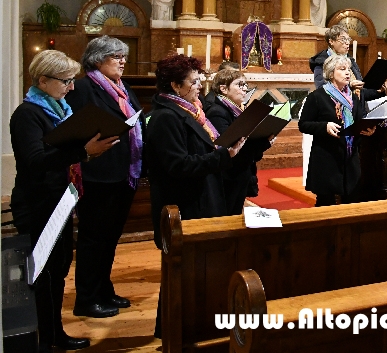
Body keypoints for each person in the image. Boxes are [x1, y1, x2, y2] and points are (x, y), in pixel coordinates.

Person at [10, 50, 118, 351]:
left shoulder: (57, 109)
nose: (72, 88)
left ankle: (54, 333)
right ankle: (43, 338)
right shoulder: (27, 115)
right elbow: (34, 161)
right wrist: (83, 152)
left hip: (59, 200)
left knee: (57, 271)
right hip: (37, 205)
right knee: (42, 276)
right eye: (66, 81)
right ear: (43, 80)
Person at [147, 54, 246, 338]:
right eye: (193, 81)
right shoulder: (166, 117)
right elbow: (178, 165)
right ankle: (175, 329)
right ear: (176, 86)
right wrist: (221, 156)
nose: (200, 85)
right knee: (182, 273)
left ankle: (188, 325)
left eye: (200, 79)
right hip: (185, 204)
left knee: (196, 271)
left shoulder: (191, 111)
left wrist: (224, 152)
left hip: (200, 197)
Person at [65, 36, 144, 319]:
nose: (123, 61)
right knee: (93, 238)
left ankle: (104, 288)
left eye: (123, 56)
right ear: (97, 60)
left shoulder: (123, 88)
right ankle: (86, 298)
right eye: (116, 57)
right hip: (97, 174)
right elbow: (74, 128)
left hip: (123, 173)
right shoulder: (84, 87)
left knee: (109, 238)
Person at [299, 55, 376, 206]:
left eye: (348, 69)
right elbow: (303, 124)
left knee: (351, 205)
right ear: (330, 73)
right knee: (326, 206)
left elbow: (359, 120)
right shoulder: (318, 97)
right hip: (327, 159)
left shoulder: (353, 97)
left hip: (349, 158)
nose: (348, 72)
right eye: (342, 69)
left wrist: (367, 129)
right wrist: (324, 126)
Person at [206, 69, 273, 215]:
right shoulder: (218, 112)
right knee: (227, 216)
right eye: (239, 85)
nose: (244, 89)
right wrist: (263, 142)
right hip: (229, 176)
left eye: (245, 85)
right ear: (223, 88)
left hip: (240, 173)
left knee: (235, 213)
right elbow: (229, 146)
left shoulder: (237, 110)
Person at [308, 25, 383, 99]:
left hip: (356, 109)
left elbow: (361, 94)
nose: (347, 43)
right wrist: (349, 86)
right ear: (331, 41)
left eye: (348, 39)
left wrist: (378, 91)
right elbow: (322, 91)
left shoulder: (350, 61)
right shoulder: (321, 62)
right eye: (343, 39)